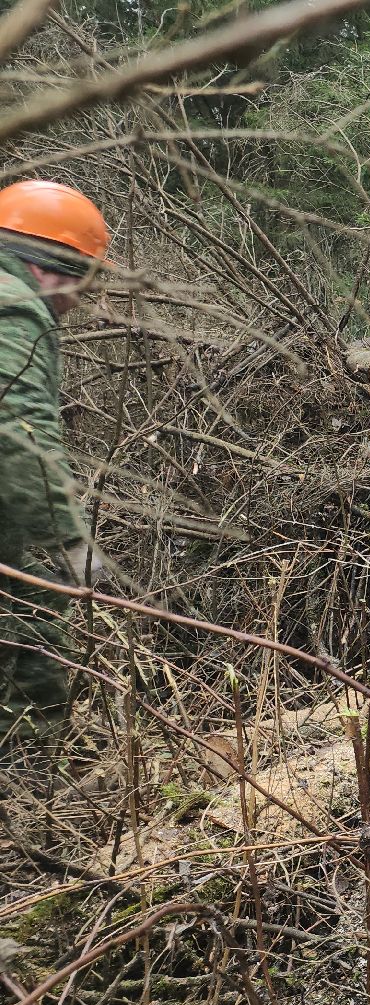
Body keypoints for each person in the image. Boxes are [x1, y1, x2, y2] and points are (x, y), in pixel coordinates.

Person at [0, 180, 111, 752]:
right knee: (26, 632)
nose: (79, 299)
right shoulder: (14, 308)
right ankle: (32, 793)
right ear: (54, 265)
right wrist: (68, 539)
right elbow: (18, 428)